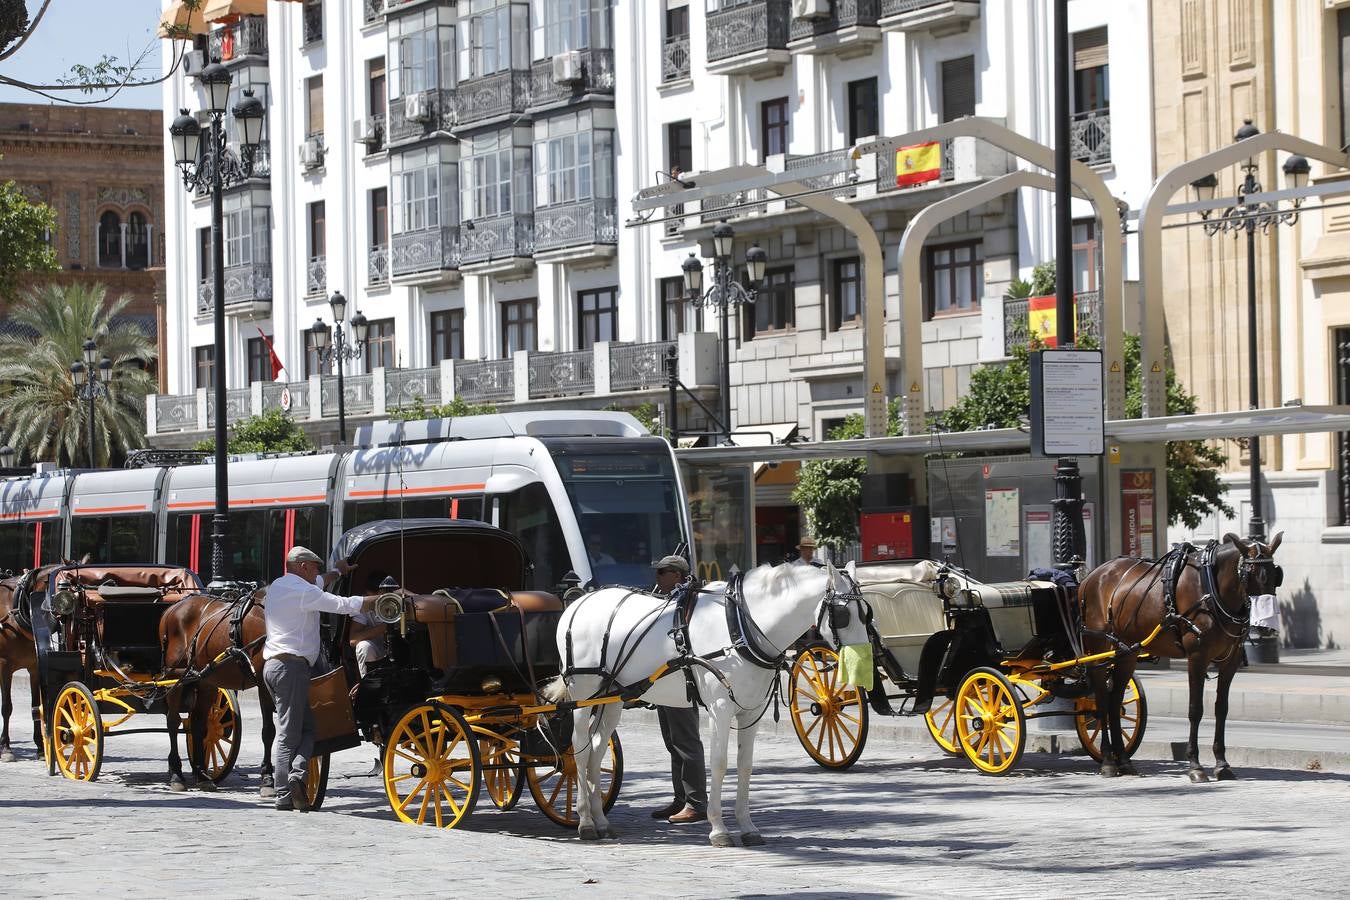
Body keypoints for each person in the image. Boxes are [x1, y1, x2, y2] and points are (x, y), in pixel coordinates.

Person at [262, 546, 373, 812]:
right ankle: (284, 792)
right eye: (313, 567)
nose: (315, 573)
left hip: (273, 667)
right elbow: (343, 605)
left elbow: (321, 581)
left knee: (307, 728)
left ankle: (297, 776)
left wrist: (338, 571)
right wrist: (382, 598)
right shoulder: (304, 592)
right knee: (292, 733)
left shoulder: (278, 586)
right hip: (292, 669)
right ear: (302, 566)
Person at [650, 554, 707, 825]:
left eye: (661, 572)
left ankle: (696, 803)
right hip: (662, 679)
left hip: (679, 679)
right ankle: (680, 799)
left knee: (686, 743)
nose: (657, 577)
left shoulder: (687, 599)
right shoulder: (668, 598)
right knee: (673, 743)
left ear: (676, 574)